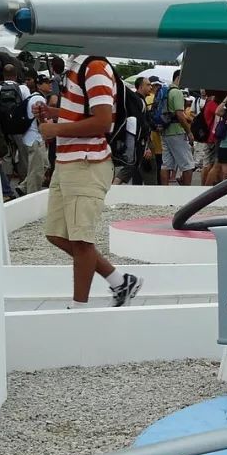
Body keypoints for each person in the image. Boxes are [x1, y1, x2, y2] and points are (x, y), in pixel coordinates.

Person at [34, 55, 142, 308]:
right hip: (69, 162)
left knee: (81, 240)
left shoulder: (93, 67)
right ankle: (120, 282)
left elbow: (103, 121)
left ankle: (79, 309)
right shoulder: (78, 66)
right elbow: (86, 113)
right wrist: (55, 113)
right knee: (57, 234)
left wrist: (56, 129)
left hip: (86, 162)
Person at [113, 77, 152, 185]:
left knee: (135, 167)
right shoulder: (137, 101)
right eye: (148, 85)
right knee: (131, 165)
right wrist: (145, 144)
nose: (151, 87)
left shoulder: (138, 100)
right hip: (135, 140)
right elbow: (139, 123)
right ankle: (113, 187)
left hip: (135, 139)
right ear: (141, 86)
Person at [17, 74, 52, 195]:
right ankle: (32, 195)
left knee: (44, 164)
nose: (49, 85)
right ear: (39, 85)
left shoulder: (32, 96)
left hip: (30, 137)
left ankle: (23, 187)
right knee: (36, 170)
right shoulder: (39, 99)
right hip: (35, 138)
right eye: (46, 82)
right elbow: (40, 120)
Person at [160, 69, 194, 186]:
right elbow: (180, 114)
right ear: (179, 78)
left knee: (166, 165)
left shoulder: (166, 91)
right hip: (177, 131)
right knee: (188, 164)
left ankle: (164, 190)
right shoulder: (177, 92)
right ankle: (186, 191)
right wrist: (188, 131)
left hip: (165, 130)